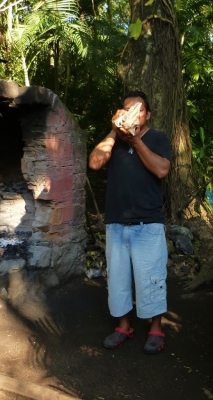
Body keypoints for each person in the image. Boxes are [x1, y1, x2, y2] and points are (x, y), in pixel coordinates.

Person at [88, 91, 171, 355]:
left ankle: (156, 328)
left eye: (139, 109)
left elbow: (161, 170)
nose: (133, 113)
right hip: (116, 223)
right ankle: (124, 326)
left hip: (148, 223)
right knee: (118, 278)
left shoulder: (157, 138)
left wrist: (135, 140)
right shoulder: (114, 142)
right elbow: (94, 163)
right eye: (126, 109)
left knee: (152, 277)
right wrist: (114, 132)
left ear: (147, 114)